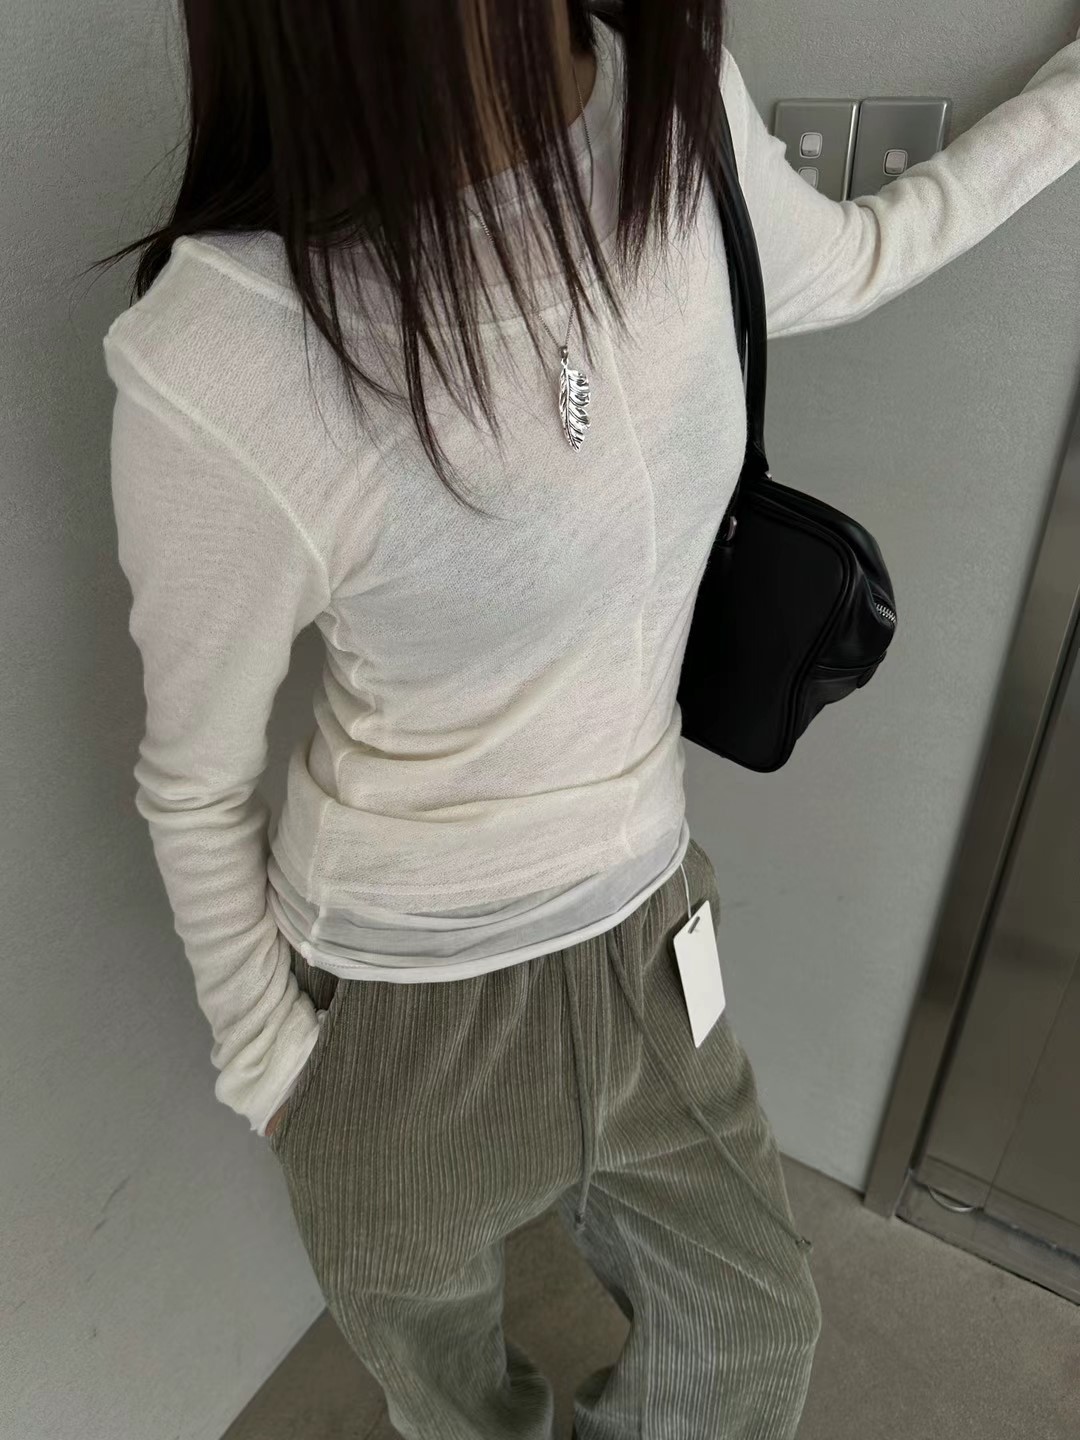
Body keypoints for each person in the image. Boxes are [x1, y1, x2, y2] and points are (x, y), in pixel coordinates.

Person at [99, 2, 1080, 1436]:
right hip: (399, 1015)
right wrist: (284, 1077)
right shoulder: (222, 355)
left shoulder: (670, 113)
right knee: (455, 1409)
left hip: (648, 933)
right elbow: (191, 783)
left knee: (753, 1333)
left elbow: (860, 254)